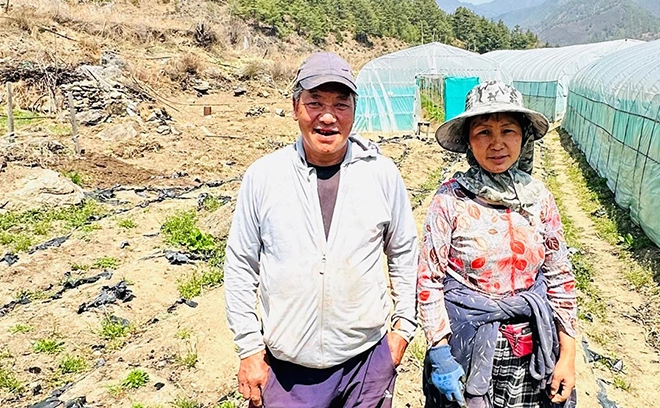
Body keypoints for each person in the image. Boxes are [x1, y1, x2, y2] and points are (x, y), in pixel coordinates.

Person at [224, 52, 419, 408]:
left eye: (340, 104)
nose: (328, 116)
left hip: (366, 363)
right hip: (287, 370)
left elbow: (404, 253)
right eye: (315, 103)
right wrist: (250, 348)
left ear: (355, 110)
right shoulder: (265, 176)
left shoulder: (381, 174)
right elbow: (240, 266)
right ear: (295, 106)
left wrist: (402, 330)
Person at [417, 81, 577, 408]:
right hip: (467, 348)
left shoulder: (539, 199)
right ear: (468, 143)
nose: (497, 143)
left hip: (532, 350)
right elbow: (428, 280)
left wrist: (568, 356)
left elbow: (560, 277)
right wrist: (439, 350)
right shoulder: (451, 199)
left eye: (508, 130)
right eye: (483, 133)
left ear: (523, 136)